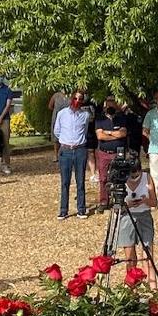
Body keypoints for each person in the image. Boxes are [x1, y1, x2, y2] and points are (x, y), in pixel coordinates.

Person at [115, 159, 158, 288]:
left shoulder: (147, 177)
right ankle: (131, 290)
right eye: (131, 176)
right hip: (126, 217)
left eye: (136, 175)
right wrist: (126, 205)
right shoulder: (120, 179)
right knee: (130, 258)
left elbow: (154, 202)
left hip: (144, 216)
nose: (134, 178)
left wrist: (145, 201)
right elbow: (115, 207)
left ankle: (153, 290)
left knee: (148, 256)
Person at [54, 89, 91, 220]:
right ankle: (63, 210)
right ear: (71, 99)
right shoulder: (62, 114)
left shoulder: (85, 115)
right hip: (66, 150)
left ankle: (81, 209)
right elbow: (57, 131)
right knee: (65, 182)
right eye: (75, 98)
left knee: (80, 181)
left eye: (80, 99)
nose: (77, 101)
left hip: (80, 150)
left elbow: (85, 131)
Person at [94, 96, 131, 212]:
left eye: (113, 102)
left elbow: (123, 134)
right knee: (103, 178)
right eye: (108, 102)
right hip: (104, 153)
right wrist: (115, 134)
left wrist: (108, 133)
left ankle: (119, 201)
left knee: (120, 177)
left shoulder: (121, 118)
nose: (110, 105)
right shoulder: (100, 119)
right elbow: (100, 136)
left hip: (118, 152)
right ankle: (104, 201)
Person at [48, 88, 69, 162]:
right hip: (57, 117)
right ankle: (56, 154)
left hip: (67, 117)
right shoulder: (56, 95)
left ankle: (65, 153)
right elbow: (50, 106)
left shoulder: (70, 96)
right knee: (55, 137)